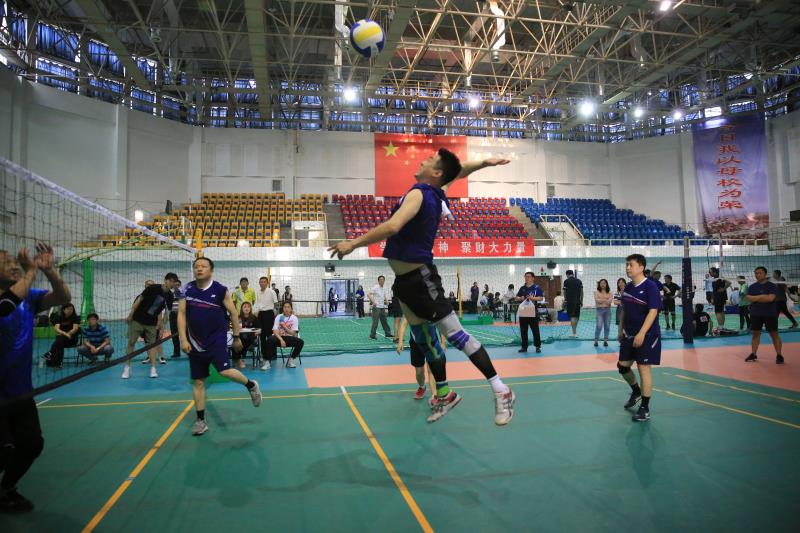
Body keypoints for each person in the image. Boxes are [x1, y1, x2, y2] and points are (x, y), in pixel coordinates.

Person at [329, 149, 516, 425]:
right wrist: (483, 163)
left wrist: (353, 243)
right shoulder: (436, 192)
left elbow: (393, 226)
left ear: (436, 173)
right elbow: (457, 172)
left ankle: (501, 389)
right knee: (424, 339)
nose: (422, 160)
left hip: (421, 278)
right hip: (404, 283)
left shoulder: (420, 193)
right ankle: (444, 394)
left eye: (429, 161)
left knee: (456, 335)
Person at [0, 243, 70, 512]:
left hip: (20, 390)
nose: (14, 265)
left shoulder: (28, 297)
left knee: (31, 444)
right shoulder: (11, 299)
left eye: (14, 261)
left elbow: (63, 297)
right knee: (4, 449)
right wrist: (31, 271)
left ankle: (6, 489)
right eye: (6, 262)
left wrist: (49, 270)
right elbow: (6, 305)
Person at [178, 257, 262, 436]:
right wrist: (183, 339)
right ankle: (200, 421)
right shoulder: (186, 289)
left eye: (203, 266)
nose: (199, 269)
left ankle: (251, 385)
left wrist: (236, 337)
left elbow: (233, 313)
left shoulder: (220, 290)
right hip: (194, 341)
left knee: (224, 371)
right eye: (196, 266)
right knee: (199, 381)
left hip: (217, 338)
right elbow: (182, 315)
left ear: (211, 270)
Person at [617, 253, 662, 422]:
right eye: (626, 265)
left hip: (648, 335)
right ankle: (636, 391)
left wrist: (642, 333)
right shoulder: (628, 288)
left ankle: (645, 407)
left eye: (631, 265)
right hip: (629, 335)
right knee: (623, 366)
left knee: (644, 368)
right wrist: (620, 330)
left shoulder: (651, 287)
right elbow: (624, 310)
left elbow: (653, 311)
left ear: (641, 267)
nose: (628, 268)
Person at [122, 273, 179, 379]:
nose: (172, 283)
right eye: (170, 280)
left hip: (152, 323)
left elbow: (167, 312)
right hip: (137, 320)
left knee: (152, 345)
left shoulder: (170, 296)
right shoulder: (153, 288)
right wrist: (131, 314)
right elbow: (139, 299)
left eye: (174, 282)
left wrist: (162, 326)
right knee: (131, 343)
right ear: (165, 280)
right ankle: (127, 367)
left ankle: (153, 369)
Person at [745, 267, 784, 363]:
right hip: (755, 314)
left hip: (770, 314)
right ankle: (753, 354)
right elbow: (749, 298)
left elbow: (770, 299)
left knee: (774, 334)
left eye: (760, 273)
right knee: (755, 334)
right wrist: (763, 297)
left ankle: (779, 355)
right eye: (756, 273)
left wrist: (756, 298)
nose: (757, 275)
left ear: (765, 274)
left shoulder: (772, 286)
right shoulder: (752, 287)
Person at [396, 318, 438, 403]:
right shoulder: (411, 311)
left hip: (431, 342)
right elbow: (403, 324)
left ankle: (434, 395)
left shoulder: (431, 310)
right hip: (416, 343)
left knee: (431, 370)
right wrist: (400, 342)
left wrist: (443, 342)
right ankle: (422, 387)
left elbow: (441, 323)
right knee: (419, 372)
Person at [263, 301, 304, 368]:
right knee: (269, 340)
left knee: (301, 342)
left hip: (289, 338)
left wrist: (284, 327)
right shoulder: (279, 317)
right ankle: (267, 362)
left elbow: (294, 334)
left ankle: (291, 360)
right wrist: (281, 340)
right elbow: (275, 331)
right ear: (283, 308)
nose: (286, 309)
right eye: (285, 307)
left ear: (291, 308)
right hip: (279, 337)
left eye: (288, 307)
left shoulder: (294, 318)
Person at [44, 302, 80, 368]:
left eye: (71, 309)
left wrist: (68, 334)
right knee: (60, 342)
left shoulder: (76, 318)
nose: (70, 310)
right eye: (68, 309)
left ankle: (50, 354)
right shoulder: (59, 317)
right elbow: (56, 329)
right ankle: (58, 363)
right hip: (62, 338)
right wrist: (65, 334)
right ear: (64, 310)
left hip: (72, 339)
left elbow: (75, 329)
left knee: (59, 341)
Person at [516, 272, 543, 353]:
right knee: (523, 330)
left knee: (535, 330)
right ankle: (524, 347)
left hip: (532, 311)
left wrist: (533, 298)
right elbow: (517, 297)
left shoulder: (536, 287)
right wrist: (520, 298)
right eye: (525, 276)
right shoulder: (522, 288)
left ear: (533, 278)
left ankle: (537, 346)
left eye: (528, 276)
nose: (526, 278)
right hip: (523, 311)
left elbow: (541, 298)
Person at [254, 276, 277, 363]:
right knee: (262, 336)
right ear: (259, 283)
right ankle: (264, 355)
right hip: (261, 315)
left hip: (269, 314)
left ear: (267, 283)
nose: (262, 283)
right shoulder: (257, 292)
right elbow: (257, 304)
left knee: (270, 335)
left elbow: (276, 304)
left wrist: (276, 315)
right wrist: (255, 313)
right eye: (261, 282)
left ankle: (273, 354)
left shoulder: (272, 291)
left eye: (264, 282)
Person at [235, 302, 258, 369]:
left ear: (250, 308)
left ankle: (241, 359)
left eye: (248, 307)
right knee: (236, 340)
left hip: (251, 338)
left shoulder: (254, 318)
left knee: (244, 339)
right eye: (245, 307)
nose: (246, 308)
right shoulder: (238, 317)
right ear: (241, 309)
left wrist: (258, 332)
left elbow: (259, 328)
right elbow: (234, 327)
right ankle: (237, 359)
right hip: (240, 336)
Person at [368, 275, 392, 339]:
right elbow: (369, 294)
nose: (382, 280)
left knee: (384, 321)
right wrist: (373, 302)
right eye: (380, 279)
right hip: (376, 307)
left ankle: (388, 334)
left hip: (382, 307)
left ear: (384, 280)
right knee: (375, 322)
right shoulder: (375, 287)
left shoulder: (384, 288)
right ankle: (372, 336)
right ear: (378, 281)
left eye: (383, 279)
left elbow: (384, 295)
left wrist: (386, 301)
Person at [563, 270, 583, 337]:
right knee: (576, 316)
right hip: (577, 301)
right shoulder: (579, 281)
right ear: (573, 274)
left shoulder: (566, 281)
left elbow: (564, 292)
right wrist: (581, 301)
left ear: (567, 274)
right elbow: (582, 292)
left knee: (572, 317)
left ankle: (574, 333)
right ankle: (574, 332)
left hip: (570, 301)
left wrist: (565, 300)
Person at [593, 279, 612, 347]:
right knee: (599, 326)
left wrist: (602, 300)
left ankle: (605, 341)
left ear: (606, 284)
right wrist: (606, 300)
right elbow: (597, 301)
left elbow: (609, 302)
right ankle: (596, 341)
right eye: (601, 283)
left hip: (608, 311)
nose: (603, 284)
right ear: (599, 284)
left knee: (607, 326)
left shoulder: (610, 292)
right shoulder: (596, 292)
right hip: (599, 311)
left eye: (604, 283)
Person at [168, 279, 182, 358]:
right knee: (174, 334)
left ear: (180, 286)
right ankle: (176, 352)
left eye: (178, 285)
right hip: (173, 315)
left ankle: (189, 351)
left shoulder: (184, 294)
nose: (176, 286)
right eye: (175, 285)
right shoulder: (170, 295)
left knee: (186, 333)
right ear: (173, 286)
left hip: (182, 315)